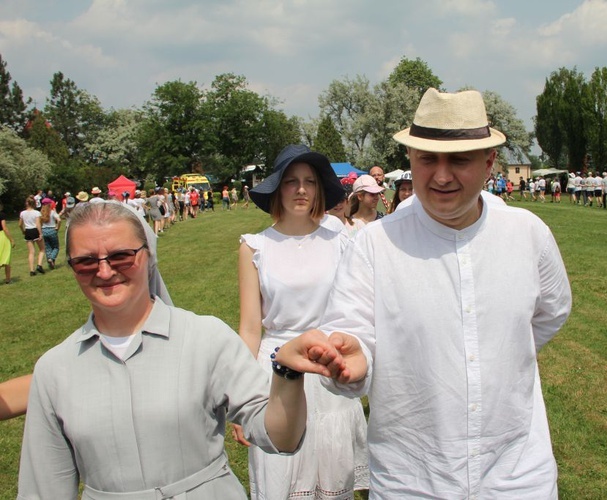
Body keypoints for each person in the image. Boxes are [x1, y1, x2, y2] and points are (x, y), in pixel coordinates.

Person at [303, 88, 572, 498]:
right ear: (410, 159)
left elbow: (551, 312)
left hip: (517, 476)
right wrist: (353, 357)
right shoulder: (374, 245)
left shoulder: (527, 234)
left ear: (489, 162)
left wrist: (496, 350)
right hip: (412, 479)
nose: (442, 176)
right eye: (428, 159)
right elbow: (351, 332)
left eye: (459, 160)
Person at [17, 200, 333, 498]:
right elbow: (44, 489)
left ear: (148, 255)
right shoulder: (53, 370)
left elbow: (280, 437)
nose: (104, 271)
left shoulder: (206, 337)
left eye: (121, 256)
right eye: (86, 261)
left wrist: (287, 373)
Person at [240, 144, 369, 499]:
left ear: (319, 189)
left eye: (309, 182)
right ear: (277, 188)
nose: (300, 190)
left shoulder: (341, 239)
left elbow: (358, 308)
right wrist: (241, 397)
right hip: (277, 367)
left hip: (328, 364)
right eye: (291, 181)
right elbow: (250, 327)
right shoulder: (255, 246)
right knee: (281, 474)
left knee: (332, 475)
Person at [19, 196, 46, 276]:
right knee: (42, 249)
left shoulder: (22, 213)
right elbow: (38, 224)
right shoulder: (36, 213)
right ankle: (39, 265)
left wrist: (23, 231)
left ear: (26, 203)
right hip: (35, 230)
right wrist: (40, 233)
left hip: (28, 230)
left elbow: (20, 224)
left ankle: (31, 270)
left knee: (31, 252)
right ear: (34, 203)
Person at [40, 198, 61, 269]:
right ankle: (51, 258)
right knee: (56, 247)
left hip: (44, 230)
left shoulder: (41, 213)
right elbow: (59, 220)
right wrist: (57, 227)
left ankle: (51, 264)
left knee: (47, 247)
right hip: (52, 229)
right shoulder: (52, 212)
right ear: (49, 204)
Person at [0, 201, 15, 284]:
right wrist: (11, 239)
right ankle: (8, 279)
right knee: (6, 258)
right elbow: (4, 228)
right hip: (2, 237)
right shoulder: (2, 215)